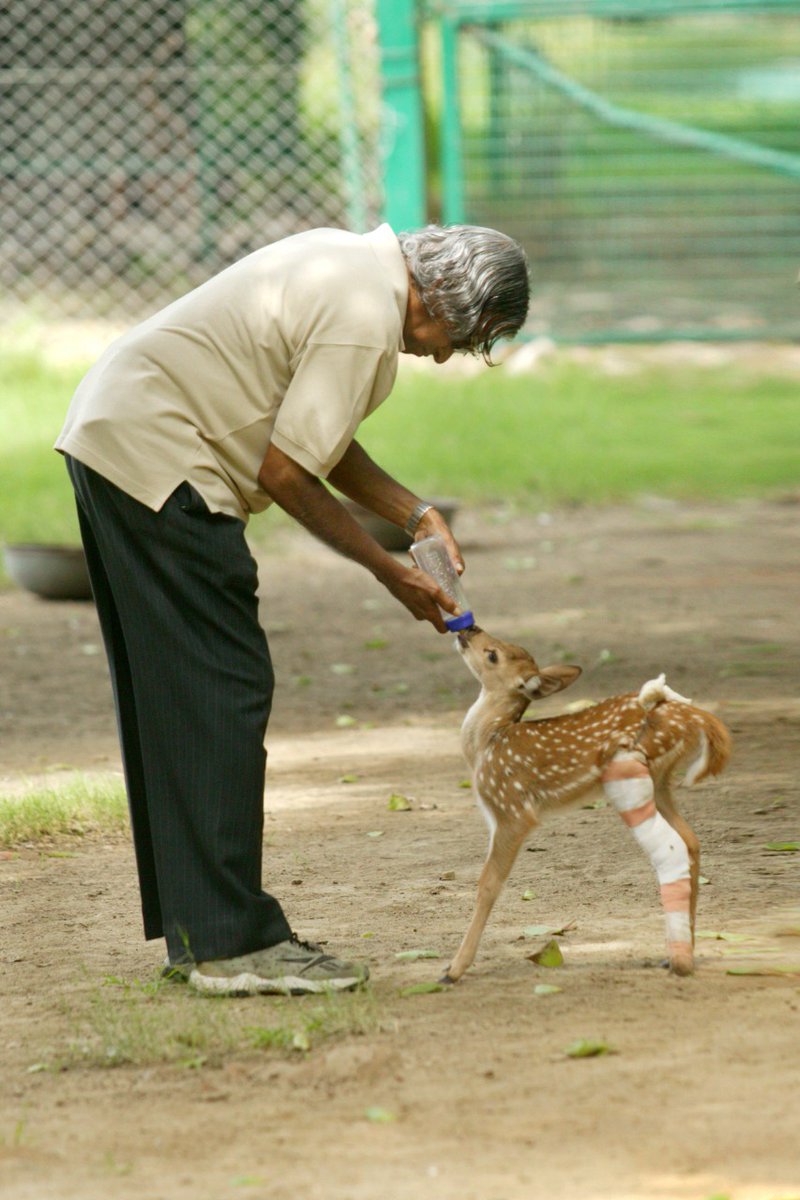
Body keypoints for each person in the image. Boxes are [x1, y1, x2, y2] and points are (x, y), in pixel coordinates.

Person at [55, 222, 530, 996]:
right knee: (222, 688)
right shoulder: (364, 319)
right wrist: (386, 570)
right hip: (163, 456)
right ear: (440, 297)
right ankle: (230, 944)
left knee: (180, 696)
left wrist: (414, 515)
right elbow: (286, 469)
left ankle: (201, 931)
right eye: (460, 336)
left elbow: (316, 438)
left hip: (120, 433)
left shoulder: (346, 267)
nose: (443, 354)